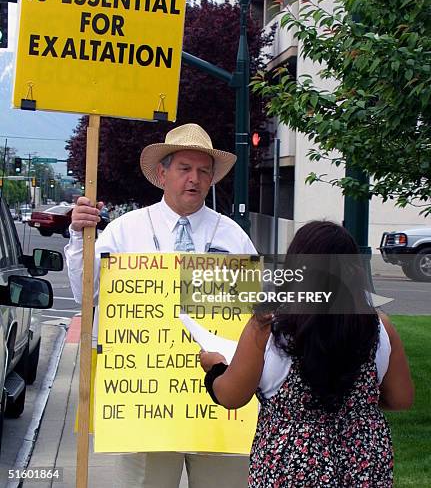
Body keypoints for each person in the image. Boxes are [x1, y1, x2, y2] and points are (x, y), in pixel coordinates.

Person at [65, 123, 256, 488]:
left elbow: (253, 314)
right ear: (162, 173)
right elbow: (84, 295)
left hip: (218, 399)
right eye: (185, 168)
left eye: (204, 171)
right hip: (145, 400)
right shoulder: (124, 230)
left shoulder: (234, 236)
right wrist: (79, 236)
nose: (194, 179)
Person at [200, 221, 414, 487]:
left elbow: (231, 396)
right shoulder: (379, 326)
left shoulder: (268, 327)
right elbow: (402, 398)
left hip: (288, 464)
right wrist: (355, 404)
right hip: (364, 461)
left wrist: (216, 367)